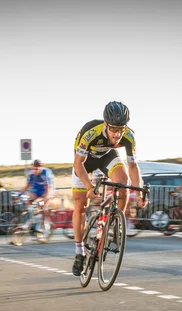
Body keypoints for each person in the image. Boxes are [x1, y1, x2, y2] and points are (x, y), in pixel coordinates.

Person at [70, 101, 148, 276]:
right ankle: (79, 252)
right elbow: (78, 164)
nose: (117, 134)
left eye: (121, 129)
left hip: (107, 157)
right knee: (80, 205)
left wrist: (139, 191)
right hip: (84, 162)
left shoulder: (129, 136)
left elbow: (133, 167)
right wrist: (89, 186)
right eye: (113, 129)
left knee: (123, 182)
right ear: (106, 124)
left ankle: (114, 225)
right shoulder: (90, 132)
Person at [19, 159, 55, 233]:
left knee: (43, 206)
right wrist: (19, 194)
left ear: (41, 168)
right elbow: (27, 186)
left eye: (37, 169)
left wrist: (44, 200)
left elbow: (48, 188)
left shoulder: (46, 173)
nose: (35, 170)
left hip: (47, 189)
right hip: (37, 189)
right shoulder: (31, 173)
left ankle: (46, 223)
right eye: (33, 168)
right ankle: (32, 220)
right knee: (28, 201)